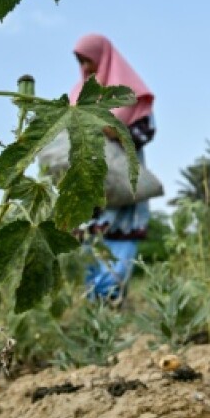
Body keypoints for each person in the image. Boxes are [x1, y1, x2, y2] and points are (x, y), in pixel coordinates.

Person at [71, 33, 156, 303]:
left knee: (118, 254)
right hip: (90, 191)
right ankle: (96, 313)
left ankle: (111, 308)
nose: (85, 68)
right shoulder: (78, 97)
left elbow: (146, 131)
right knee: (90, 253)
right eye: (80, 62)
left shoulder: (129, 94)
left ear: (103, 58)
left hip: (122, 190)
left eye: (89, 61)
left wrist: (112, 130)